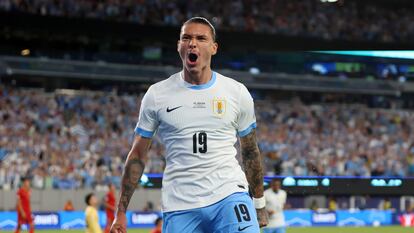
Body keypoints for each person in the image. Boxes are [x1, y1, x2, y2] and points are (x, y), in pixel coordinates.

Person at [110, 16, 268, 233]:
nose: (192, 43)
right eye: (186, 38)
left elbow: (250, 151)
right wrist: (121, 211)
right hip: (180, 204)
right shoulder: (157, 95)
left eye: (201, 38)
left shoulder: (236, 92)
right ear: (179, 46)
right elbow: (137, 155)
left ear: (213, 48)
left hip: (229, 194)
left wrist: (258, 204)